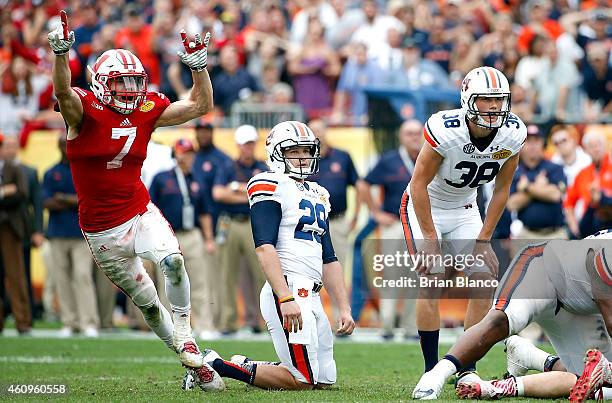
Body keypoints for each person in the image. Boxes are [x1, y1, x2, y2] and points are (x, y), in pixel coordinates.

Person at [47, 10, 223, 388]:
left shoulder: (146, 109)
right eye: (122, 82)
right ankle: (189, 360)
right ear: (102, 83)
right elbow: (63, 91)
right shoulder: (83, 110)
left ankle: (187, 335)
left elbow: (199, 106)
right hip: (101, 229)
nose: (130, 89)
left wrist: (198, 68)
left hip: (138, 209)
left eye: (134, 81)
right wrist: (61, 55)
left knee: (173, 262)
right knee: (147, 303)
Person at [184, 120, 355, 390]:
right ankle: (212, 364)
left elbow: (329, 257)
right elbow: (264, 247)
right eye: (294, 151)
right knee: (303, 381)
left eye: (306, 151)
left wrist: (343, 306)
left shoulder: (319, 193)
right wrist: (284, 296)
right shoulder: (269, 183)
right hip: (287, 289)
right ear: (277, 153)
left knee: (324, 380)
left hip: (311, 293)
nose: (302, 158)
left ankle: (243, 364)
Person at [408, 67, 526, 397]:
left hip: (464, 208)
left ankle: (465, 366)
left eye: (498, 100)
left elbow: (502, 190)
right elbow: (418, 185)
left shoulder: (513, 132)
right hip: (427, 204)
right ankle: (431, 368)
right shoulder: (446, 129)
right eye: (486, 99)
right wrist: (431, 240)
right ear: (467, 100)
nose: (493, 107)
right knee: (432, 280)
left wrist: (484, 239)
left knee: (484, 280)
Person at [410, 231, 612, 400]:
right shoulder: (608, 250)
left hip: (578, 308)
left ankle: (529, 361)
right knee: (501, 320)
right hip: (543, 272)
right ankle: (436, 374)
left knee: (590, 379)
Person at [149, 138, 216, 340]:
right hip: (169, 235)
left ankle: (204, 325)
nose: (185, 157)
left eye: (188, 153)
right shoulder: (162, 178)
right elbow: (151, 209)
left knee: (199, 281)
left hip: (192, 234)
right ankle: (168, 327)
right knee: (167, 281)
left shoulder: (197, 179)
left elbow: (204, 212)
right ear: (175, 154)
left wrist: (208, 238)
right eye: (181, 152)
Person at [42, 134, 100, 337]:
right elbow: (46, 202)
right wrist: (72, 201)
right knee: (61, 277)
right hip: (57, 233)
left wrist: (64, 199)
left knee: (82, 276)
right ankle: (70, 321)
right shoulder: (52, 173)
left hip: (81, 233)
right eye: (62, 145)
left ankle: (89, 322)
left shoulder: (84, 170)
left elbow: (89, 199)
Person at [212, 125, 267, 334]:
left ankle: (262, 321)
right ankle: (228, 321)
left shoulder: (262, 167)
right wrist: (248, 192)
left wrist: (235, 189)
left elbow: (266, 195)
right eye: (245, 144)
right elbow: (218, 194)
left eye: (251, 143)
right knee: (227, 273)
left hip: (254, 222)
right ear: (238, 145)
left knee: (262, 273)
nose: (248, 148)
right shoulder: (227, 166)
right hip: (230, 221)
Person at [0, 134, 31, 335]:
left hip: (9, 228)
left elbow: (21, 193)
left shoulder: (16, 168)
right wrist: (5, 192)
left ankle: (23, 321)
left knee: (16, 275)